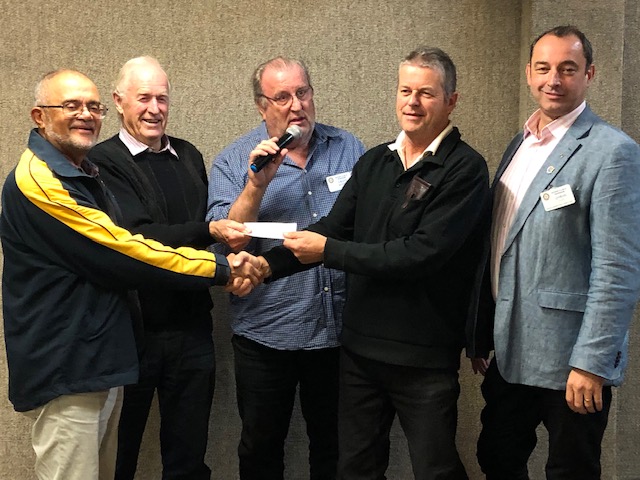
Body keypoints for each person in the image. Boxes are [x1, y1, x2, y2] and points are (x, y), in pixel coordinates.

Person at [0, 69, 259, 480]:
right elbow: (125, 250)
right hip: (68, 366)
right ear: (39, 116)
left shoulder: (81, 172)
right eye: (71, 105)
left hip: (98, 357)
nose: (86, 114)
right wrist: (220, 267)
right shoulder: (42, 182)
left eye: (92, 106)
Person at [258, 47, 491, 479]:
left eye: (426, 93)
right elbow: (332, 228)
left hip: (423, 359)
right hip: (360, 354)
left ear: (451, 101)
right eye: (405, 91)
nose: (412, 102)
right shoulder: (374, 161)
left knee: (436, 470)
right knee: (355, 469)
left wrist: (328, 252)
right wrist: (265, 268)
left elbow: (418, 254)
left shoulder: (465, 169)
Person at [473, 25, 640, 479]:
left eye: (568, 69)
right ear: (529, 72)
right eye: (544, 68)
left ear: (589, 74)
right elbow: (500, 245)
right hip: (511, 350)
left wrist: (592, 362)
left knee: (571, 471)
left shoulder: (613, 151)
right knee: (497, 458)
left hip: (571, 361)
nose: (553, 80)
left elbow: (618, 269)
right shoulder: (521, 142)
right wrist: (482, 332)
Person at [87, 57, 247, 480]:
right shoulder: (102, 162)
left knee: (188, 457)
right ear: (118, 101)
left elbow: (207, 230)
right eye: (144, 98)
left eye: (162, 98)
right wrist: (209, 231)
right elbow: (138, 239)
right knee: (118, 455)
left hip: (192, 329)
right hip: (130, 334)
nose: (154, 109)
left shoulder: (189, 155)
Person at [207, 56, 365, 479]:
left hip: (337, 333)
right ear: (262, 107)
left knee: (336, 449)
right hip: (267, 334)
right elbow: (229, 242)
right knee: (260, 449)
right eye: (282, 97)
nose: (296, 105)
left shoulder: (348, 148)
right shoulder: (234, 160)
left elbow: (367, 225)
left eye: (302, 92)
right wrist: (256, 184)